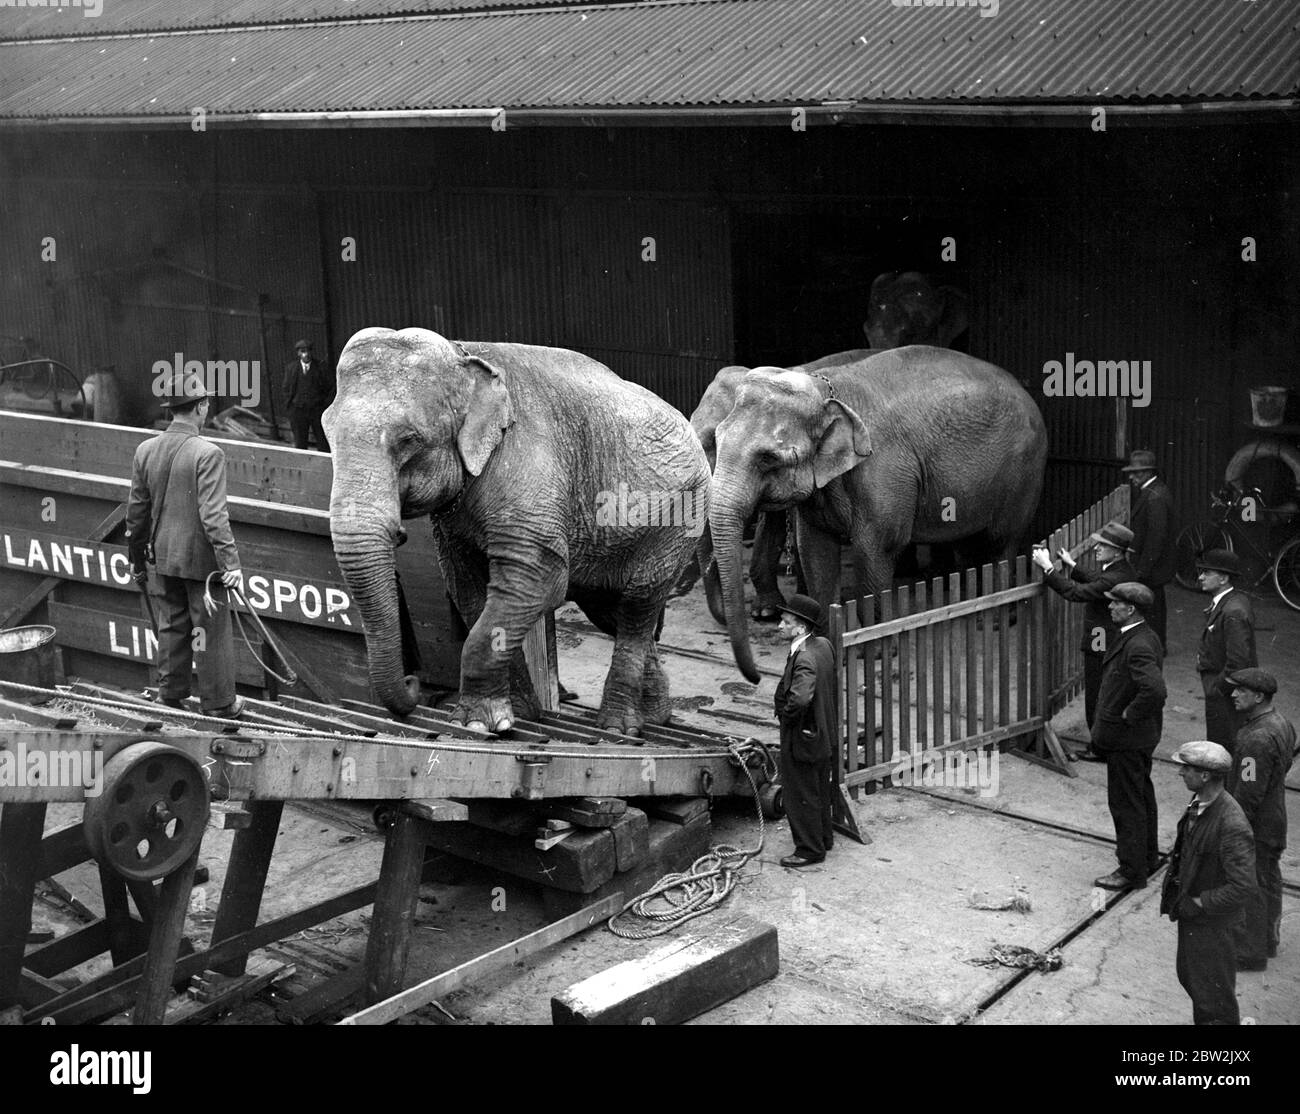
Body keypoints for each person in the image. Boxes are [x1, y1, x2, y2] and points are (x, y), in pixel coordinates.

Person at [126, 372, 245, 718]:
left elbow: (136, 514)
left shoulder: (145, 450)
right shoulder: (208, 453)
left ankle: (170, 695)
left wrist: (137, 560)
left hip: (163, 557)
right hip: (202, 566)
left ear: (172, 409)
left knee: (172, 625)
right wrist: (231, 563)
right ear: (201, 407)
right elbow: (213, 516)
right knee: (209, 630)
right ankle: (220, 704)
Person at [1161, 740, 1256, 1026]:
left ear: (1204, 776)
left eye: (1186, 768)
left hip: (1214, 925)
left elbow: (1243, 887)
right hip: (1195, 918)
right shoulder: (1200, 802)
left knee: (1213, 999)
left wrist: (1200, 902)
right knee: (1192, 978)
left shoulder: (1231, 824)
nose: (1181, 773)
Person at [1032, 520, 1137, 757]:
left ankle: (1099, 748)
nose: (1096, 548)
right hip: (1110, 638)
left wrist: (1048, 569)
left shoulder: (1114, 577)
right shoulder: (1121, 569)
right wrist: (1073, 565)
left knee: (1097, 694)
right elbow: (1098, 581)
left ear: (1117, 552)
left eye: (1103, 545)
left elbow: (1076, 592)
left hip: (1103, 641)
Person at [1090, 583, 1166, 891]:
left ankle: (1131, 871)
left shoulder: (1138, 645)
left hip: (1127, 739)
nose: (1110, 607)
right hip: (1138, 738)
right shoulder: (1141, 635)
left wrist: (1129, 715)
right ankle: (1147, 858)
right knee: (1141, 797)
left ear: (1130, 609)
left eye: (1115, 603)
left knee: (1126, 805)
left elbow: (1155, 690)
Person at [1226, 669, 1297, 971]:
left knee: (1250, 885)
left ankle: (1249, 952)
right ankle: (1268, 940)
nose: (1233, 694)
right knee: (1268, 881)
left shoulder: (1256, 738)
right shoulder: (1281, 723)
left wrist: (1233, 827)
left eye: (1240, 690)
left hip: (1256, 824)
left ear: (1258, 697)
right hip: (1274, 818)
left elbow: (1249, 791)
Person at [773, 594, 836, 868]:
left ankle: (809, 850)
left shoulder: (804, 658)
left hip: (803, 735)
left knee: (800, 794)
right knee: (818, 787)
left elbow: (800, 699)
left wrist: (787, 719)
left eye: (786, 622)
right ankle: (823, 838)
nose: (780, 626)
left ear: (800, 627)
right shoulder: (823, 645)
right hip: (822, 733)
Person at [1195, 549, 1256, 750]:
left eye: (1206, 572)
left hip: (1225, 695)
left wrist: (1217, 688)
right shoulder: (1232, 602)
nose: (1200, 577)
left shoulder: (1232, 611)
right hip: (1223, 692)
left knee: (1222, 745)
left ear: (1223, 578)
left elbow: (1238, 662)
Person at [1121, 449, 1175, 649]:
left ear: (1148, 472)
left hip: (1152, 567)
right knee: (1155, 606)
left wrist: (1142, 570)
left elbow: (1155, 538)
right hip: (1154, 566)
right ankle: (1157, 645)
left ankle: (1156, 647)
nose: (1131, 477)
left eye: (1136, 473)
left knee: (1153, 607)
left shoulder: (1154, 497)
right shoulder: (1154, 491)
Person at [282, 338, 335, 452]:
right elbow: (286, 389)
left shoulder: (321, 367)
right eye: (303, 351)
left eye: (308, 351)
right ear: (298, 353)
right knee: (300, 443)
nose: (306, 354)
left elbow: (331, 388)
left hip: (317, 411)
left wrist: (324, 406)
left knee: (322, 443)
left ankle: (322, 462)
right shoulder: (291, 369)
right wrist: (291, 408)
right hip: (298, 411)